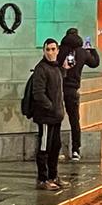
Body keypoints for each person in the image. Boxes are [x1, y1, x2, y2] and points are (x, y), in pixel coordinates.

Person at [27, 38, 67, 191]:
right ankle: (42, 179)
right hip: (45, 117)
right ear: (43, 51)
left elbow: (57, 88)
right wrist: (50, 107)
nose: (50, 52)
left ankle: (53, 176)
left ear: (57, 50)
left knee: (55, 147)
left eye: (53, 49)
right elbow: (38, 93)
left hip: (56, 116)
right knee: (44, 148)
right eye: (47, 49)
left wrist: (64, 69)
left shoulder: (56, 68)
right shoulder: (41, 69)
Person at [58, 27, 101, 161]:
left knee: (56, 119)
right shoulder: (82, 52)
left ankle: (57, 149)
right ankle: (75, 150)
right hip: (73, 90)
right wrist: (91, 49)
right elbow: (95, 63)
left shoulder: (59, 50)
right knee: (74, 120)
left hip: (58, 89)